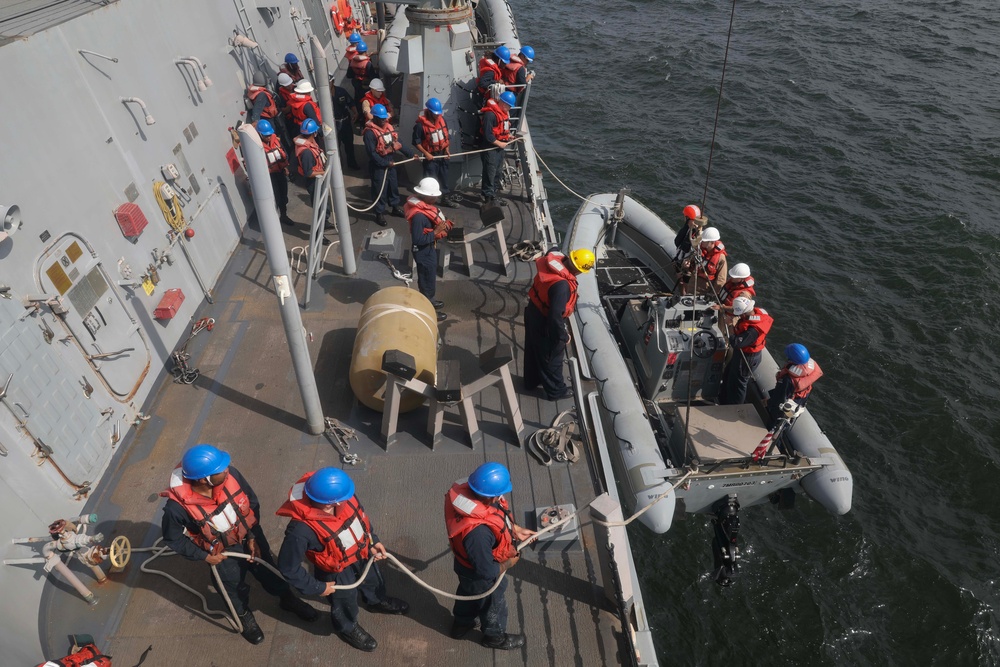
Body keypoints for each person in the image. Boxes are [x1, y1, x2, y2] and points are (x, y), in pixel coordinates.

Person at [160, 444, 318, 645]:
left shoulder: (230, 475)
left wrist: (252, 535)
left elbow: (251, 503)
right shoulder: (176, 509)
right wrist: (206, 557)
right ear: (203, 479)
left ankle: (286, 598)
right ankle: (243, 614)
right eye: (221, 469)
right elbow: (173, 539)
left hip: (249, 535)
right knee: (232, 585)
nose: (227, 469)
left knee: (268, 569)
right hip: (221, 552)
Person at [277, 468, 409, 652]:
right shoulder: (300, 530)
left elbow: (361, 520)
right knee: (344, 599)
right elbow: (288, 567)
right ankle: (347, 627)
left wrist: (373, 541)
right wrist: (318, 587)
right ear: (330, 502)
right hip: (335, 571)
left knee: (373, 579)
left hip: (362, 553)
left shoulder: (343, 494)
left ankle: (376, 600)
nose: (345, 501)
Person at [445, 462, 536, 650]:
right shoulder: (478, 534)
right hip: (480, 573)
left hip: (464, 566)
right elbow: (487, 571)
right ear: (492, 496)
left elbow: (494, 515)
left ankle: (461, 625)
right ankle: (494, 638)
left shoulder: (468, 498)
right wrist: (508, 563)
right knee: (493, 603)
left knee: (467, 593)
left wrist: (515, 530)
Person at [524, 248, 595, 400]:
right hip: (545, 321)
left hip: (533, 311)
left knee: (533, 349)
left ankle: (530, 381)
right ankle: (556, 391)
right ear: (579, 270)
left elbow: (553, 250)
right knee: (552, 358)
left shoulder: (554, 264)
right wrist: (561, 336)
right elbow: (555, 315)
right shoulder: (562, 286)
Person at [405, 177, 452, 322]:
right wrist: (436, 232)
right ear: (426, 197)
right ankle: (428, 310)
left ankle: (430, 300)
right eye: (434, 196)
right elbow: (418, 240)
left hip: (429, 249)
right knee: (426, 281)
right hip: (423, 253)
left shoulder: (422, 210)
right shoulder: (419, 217)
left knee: (430, 279)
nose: (437, 198)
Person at [363, 103, 413, 226]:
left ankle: (395, 207)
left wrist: (410, 154)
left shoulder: (388, 128)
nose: (385, 120)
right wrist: (385, 163)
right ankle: (379, 213)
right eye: (382, 118)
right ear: (375, 118)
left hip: (390, 161)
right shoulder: (369, 134)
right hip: (378, 165)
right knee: (380, 189)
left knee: (393, 186)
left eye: (385, 118)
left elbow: (398, 142)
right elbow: (372, 154)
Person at [720, 296, 774, 405]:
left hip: (747, 357)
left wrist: (730, 325)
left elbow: (736, 343)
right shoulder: (755, 313)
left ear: (743, 314)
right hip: (742, 354)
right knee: (729, 374)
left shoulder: (752, 331)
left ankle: (736, 406)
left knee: (739, 383)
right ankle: (723, 396)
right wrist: (724, 307)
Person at [412, 97, 457, 207]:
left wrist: (447, 149)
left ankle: (445, 198)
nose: (437, 115)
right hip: (430, 157)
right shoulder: (420, 126)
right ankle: (427, 202)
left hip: (442, 154)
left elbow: (446, 137)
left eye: (438, 113)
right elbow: (416, 142)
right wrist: (426, 153)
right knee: (430, 179)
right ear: (430, 111)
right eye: (435, 113)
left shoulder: (442, 120)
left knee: (444, 177)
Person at [767, 343, 823, 425]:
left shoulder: (787, 379)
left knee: (775, 419)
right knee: (788, 419)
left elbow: (779, 398)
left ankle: (772, 429)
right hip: (800, 401)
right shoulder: (810, 369)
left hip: (786, 404)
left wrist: (769, 402)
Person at [294, 118, 331, 237]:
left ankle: (325, 222)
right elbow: (308, 173)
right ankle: (318, 235)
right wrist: (324, 172)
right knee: (319, 209)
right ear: (314, 133)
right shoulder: (306, 153)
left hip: (319, 179)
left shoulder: (310, 143)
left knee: (325, 206)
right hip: (314, 182)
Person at [479, 90, 515, 205]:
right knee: (490, 172)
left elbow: (500, 129)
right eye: (509, 106)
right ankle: (488, 198)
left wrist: (507, 136)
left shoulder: (503, 114)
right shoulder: (490, 115)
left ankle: (493, 194)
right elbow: (488, 134)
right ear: (504, 104)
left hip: (499, 148)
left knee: (497, 172)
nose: (510, 108)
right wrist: (499, 143)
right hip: (490, 148)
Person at [257, 120, 292, 225]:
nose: (268, 137)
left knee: (283, 195)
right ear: (259, 134)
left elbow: (283, 152)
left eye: (269, 135)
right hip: (269, 176)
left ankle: (283, 215)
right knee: (275, 197)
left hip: (280, 171)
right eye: (266, 135)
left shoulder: (275, 140)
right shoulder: (256, 146)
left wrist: (285, 167)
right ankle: (273, 221)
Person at [681, 226, 727, 296]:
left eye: (705, 241)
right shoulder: (699, 250)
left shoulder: (721, 258)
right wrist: (687, 265)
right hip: (692, 284)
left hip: (704, 290)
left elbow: (721, 280)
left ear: (712, 242)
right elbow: (691, 260)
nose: (702, 242)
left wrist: (712, 294)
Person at [329, 81, 359, 170]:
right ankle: (339, 167)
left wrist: (355, 112)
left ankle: (352, 163)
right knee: (336, 147)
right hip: (333, 124)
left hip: (345, 122)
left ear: (333, 82)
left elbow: (350, 102)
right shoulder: (323, 95)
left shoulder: (341, 91)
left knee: (349, 144)